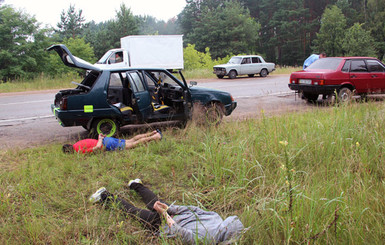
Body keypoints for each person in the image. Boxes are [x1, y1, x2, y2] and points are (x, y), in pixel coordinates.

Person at [89, 179, 245, 244]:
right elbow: (192, 213)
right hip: (172, 217)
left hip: (166, 222)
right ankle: (124, 188)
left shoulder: (211, 234)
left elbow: (182, 231)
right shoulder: (213, 230)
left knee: (140, 209)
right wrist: (168, 209)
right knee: (144, 207)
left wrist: (166, 211)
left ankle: (109, 194)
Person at [62, 129, 162, 154]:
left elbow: (97, 147)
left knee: (132, 144)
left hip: (106, 144)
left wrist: (100, 140)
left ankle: (155, 137)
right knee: (131, 139)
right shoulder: (77, 143)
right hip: (107, 139)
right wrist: (100, 137)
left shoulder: (79, 151)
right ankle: (152, 133)